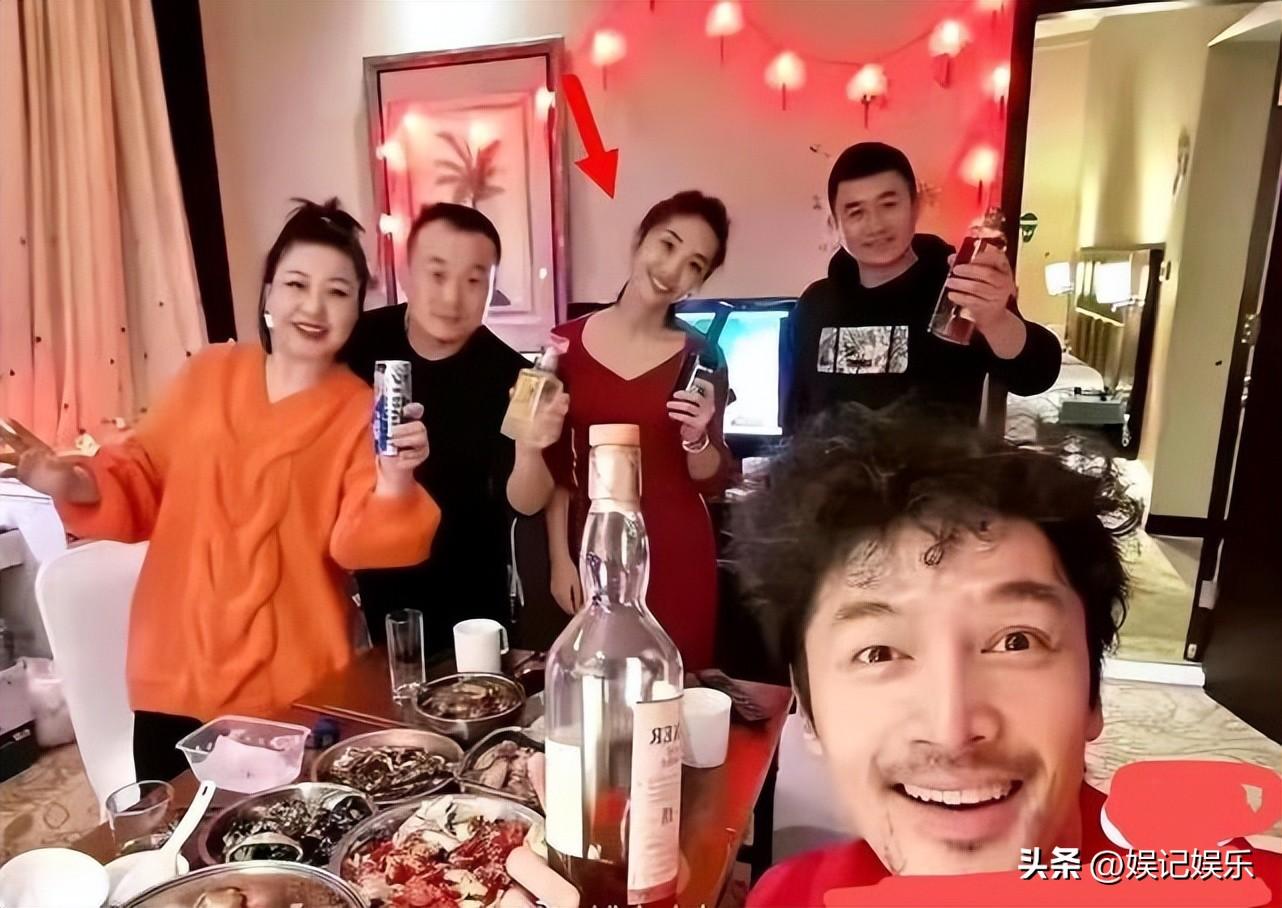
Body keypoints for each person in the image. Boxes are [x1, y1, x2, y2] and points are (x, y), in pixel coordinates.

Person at [501, 405, 1280, 906]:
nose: (951, 726)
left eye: (1016, 640)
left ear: (1092, 698)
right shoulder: (791, 897)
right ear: (808, 717)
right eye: (878, 651)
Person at [0, 199, 439, 781]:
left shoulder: (363, 412)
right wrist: (69, 480)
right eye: (296, 284)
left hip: (291, 689)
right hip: (174, 672)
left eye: (337, 291)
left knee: (278, 836)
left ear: (357, 309)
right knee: (168, 830)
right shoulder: (208, 375)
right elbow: (139, 476)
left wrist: (394, 480)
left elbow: (360, 544)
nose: (313, 306)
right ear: (268, 296)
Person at [342, 203, 567, 652]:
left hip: (471, 596)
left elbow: (525, 501)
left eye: (473, 280)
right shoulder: (358, 342)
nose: (451, 298)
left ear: (491, 287)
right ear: (407, 272)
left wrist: (529, 447)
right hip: (369, 588)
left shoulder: (510, 374)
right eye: (438, 274)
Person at [543, 190, 732, 671]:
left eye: (694, 265)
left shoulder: (703, 356)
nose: (672, 270)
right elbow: (554, 468)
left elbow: (712, 476)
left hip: (678, 555)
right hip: (595, 553)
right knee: (596, 690)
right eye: (667, 245)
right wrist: (560, 559)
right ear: (640, 239)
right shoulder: (564, 345)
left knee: (676, 696)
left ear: (699, 281)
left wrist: (698, 438)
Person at [782, 142, 1060, 433]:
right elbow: (795, 416)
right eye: (856, 212)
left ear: (915, 206)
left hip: (940, 463)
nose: (875, 225)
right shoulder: (815, 305)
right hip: (829, 463)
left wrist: (996, 320)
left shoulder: (959, 290)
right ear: (835, 224)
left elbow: (1035, 375)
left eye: (888, 205)